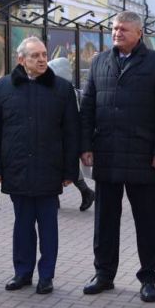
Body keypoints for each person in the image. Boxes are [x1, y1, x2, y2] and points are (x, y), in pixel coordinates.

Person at [80, 11, 155, 302]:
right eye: (114, 28)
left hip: (143, 156)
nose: (117, 33)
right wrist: (85, 145)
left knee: (145, 221)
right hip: (107, 153)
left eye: (123, 29)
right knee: (104, 220)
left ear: (139, 33)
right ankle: (103, 274)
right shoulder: (100, 61)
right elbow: (87, 107)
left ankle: (148, 278)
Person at [0, 38, 79, 294]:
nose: (41, 60)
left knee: (48, 227)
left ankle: (46, 276)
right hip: (16, 169)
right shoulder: (3, 87)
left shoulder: (62, 88)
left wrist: (69, 171)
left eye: (44, 55)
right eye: (35, 56)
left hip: (49, 169)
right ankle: (22, 273)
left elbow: (71, 132)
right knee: (23, 225)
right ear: (21, 59)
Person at [48, 56, 95, 211]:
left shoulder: (66, 90)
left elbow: (70, 117)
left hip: (64, 136)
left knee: (63, 165)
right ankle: (83, 193)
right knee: (61, 165)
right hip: (61, 136)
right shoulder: (61, 88)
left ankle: (84, 192)